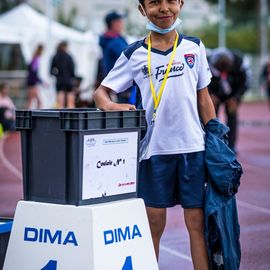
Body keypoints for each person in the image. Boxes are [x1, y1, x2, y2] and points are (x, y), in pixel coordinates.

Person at [94, 1, 217, 269]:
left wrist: (217, 137)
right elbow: (100, 93)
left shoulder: (194, 47)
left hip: (192, 148)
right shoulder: (134, 53)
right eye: (154, 3)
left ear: (181, 3)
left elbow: (204, 98)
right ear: (141, 10)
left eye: (170, 1)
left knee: (197, 223)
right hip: (153, 151)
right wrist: (111, 105)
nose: (163, 8)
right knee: (152, 223)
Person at [207, 48, 248, 152]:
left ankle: (231, 145)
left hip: (233, 93)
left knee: (232, 116)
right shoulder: (207, 61)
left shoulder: (239, 62)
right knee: (210, 117)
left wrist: (236, 98)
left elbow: (245, 83)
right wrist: (210, 95)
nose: (223, 73)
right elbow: (201, 81)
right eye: (220, 70)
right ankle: (212, 144)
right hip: (215, 92)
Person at [98, 11, 134, 104]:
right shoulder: (115, 42)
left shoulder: (110, 39)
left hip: (116, 84)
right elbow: (131, 58)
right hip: (122, 86)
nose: (122, 24)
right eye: (120, 21)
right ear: (114, 23)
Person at [50, 41, 76, 108]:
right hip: (68, 81)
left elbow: (51, 71)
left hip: (60, 81)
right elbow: (72, 70)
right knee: (70, 104)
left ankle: (61, 117)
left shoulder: (55, 56)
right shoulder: (69, 57)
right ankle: (71, 117)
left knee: (60, 104)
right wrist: (73, 78)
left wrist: (57, 75)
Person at [26, 44, 44, 109]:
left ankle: (27, 116)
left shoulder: (34, 58)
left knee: (31, 101)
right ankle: (37, 116)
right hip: (32, 83)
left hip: (31, 82)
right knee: (36, 101)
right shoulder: (36, 59)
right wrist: (40, 81)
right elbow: (34, 72)